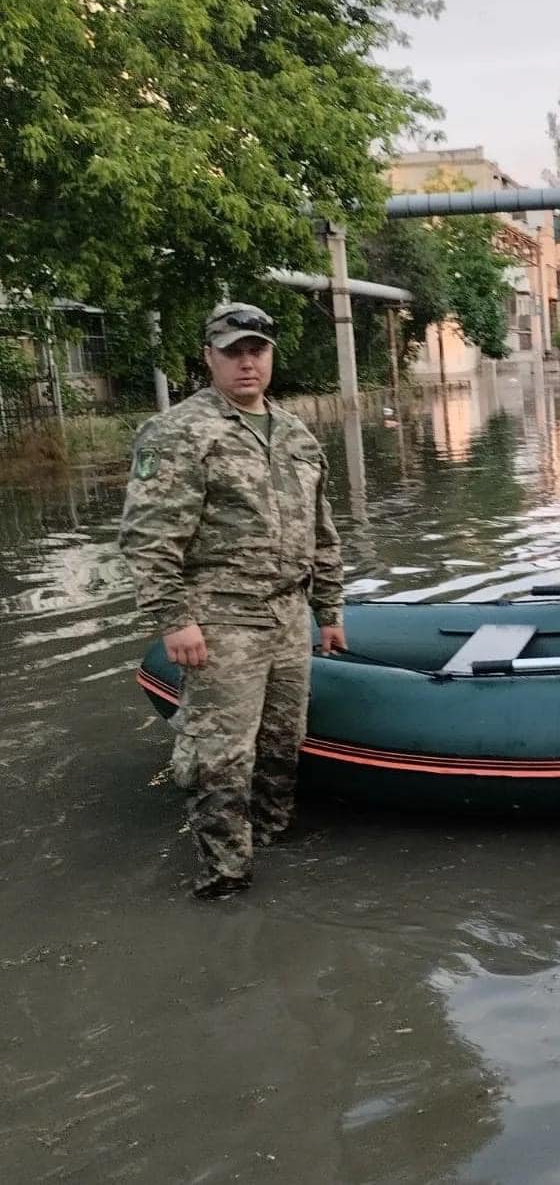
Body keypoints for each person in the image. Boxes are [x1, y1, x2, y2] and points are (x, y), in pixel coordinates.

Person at [119, 302, 347, 899]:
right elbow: (148, 536)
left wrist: (331, 610)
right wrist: (175, 619)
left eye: (257, 351)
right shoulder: (177, 432)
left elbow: (321, 531)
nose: (247, 363)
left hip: (288, 613)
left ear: (271, 356)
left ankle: (271, 836)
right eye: (233, 352)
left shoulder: (295, 433)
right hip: (221, 617)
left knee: (281, 739)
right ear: (209, 358)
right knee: (219, 751)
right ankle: (225, 873)